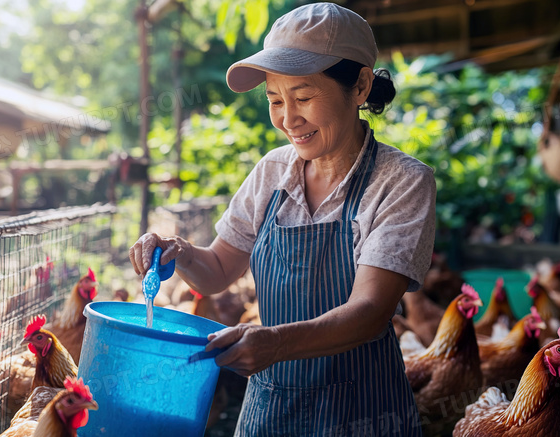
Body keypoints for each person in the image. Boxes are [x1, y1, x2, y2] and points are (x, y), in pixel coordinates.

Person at [129, 3, 435, 435]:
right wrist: (177, 251)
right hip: (269, 414)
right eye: (275, 99)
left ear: (361, 85)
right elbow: (216, 272)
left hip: (363, 414)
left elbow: (370, 311)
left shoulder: (402, 182)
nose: (288, 119)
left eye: (304, 97)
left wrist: (275, 343)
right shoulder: (272, 172)